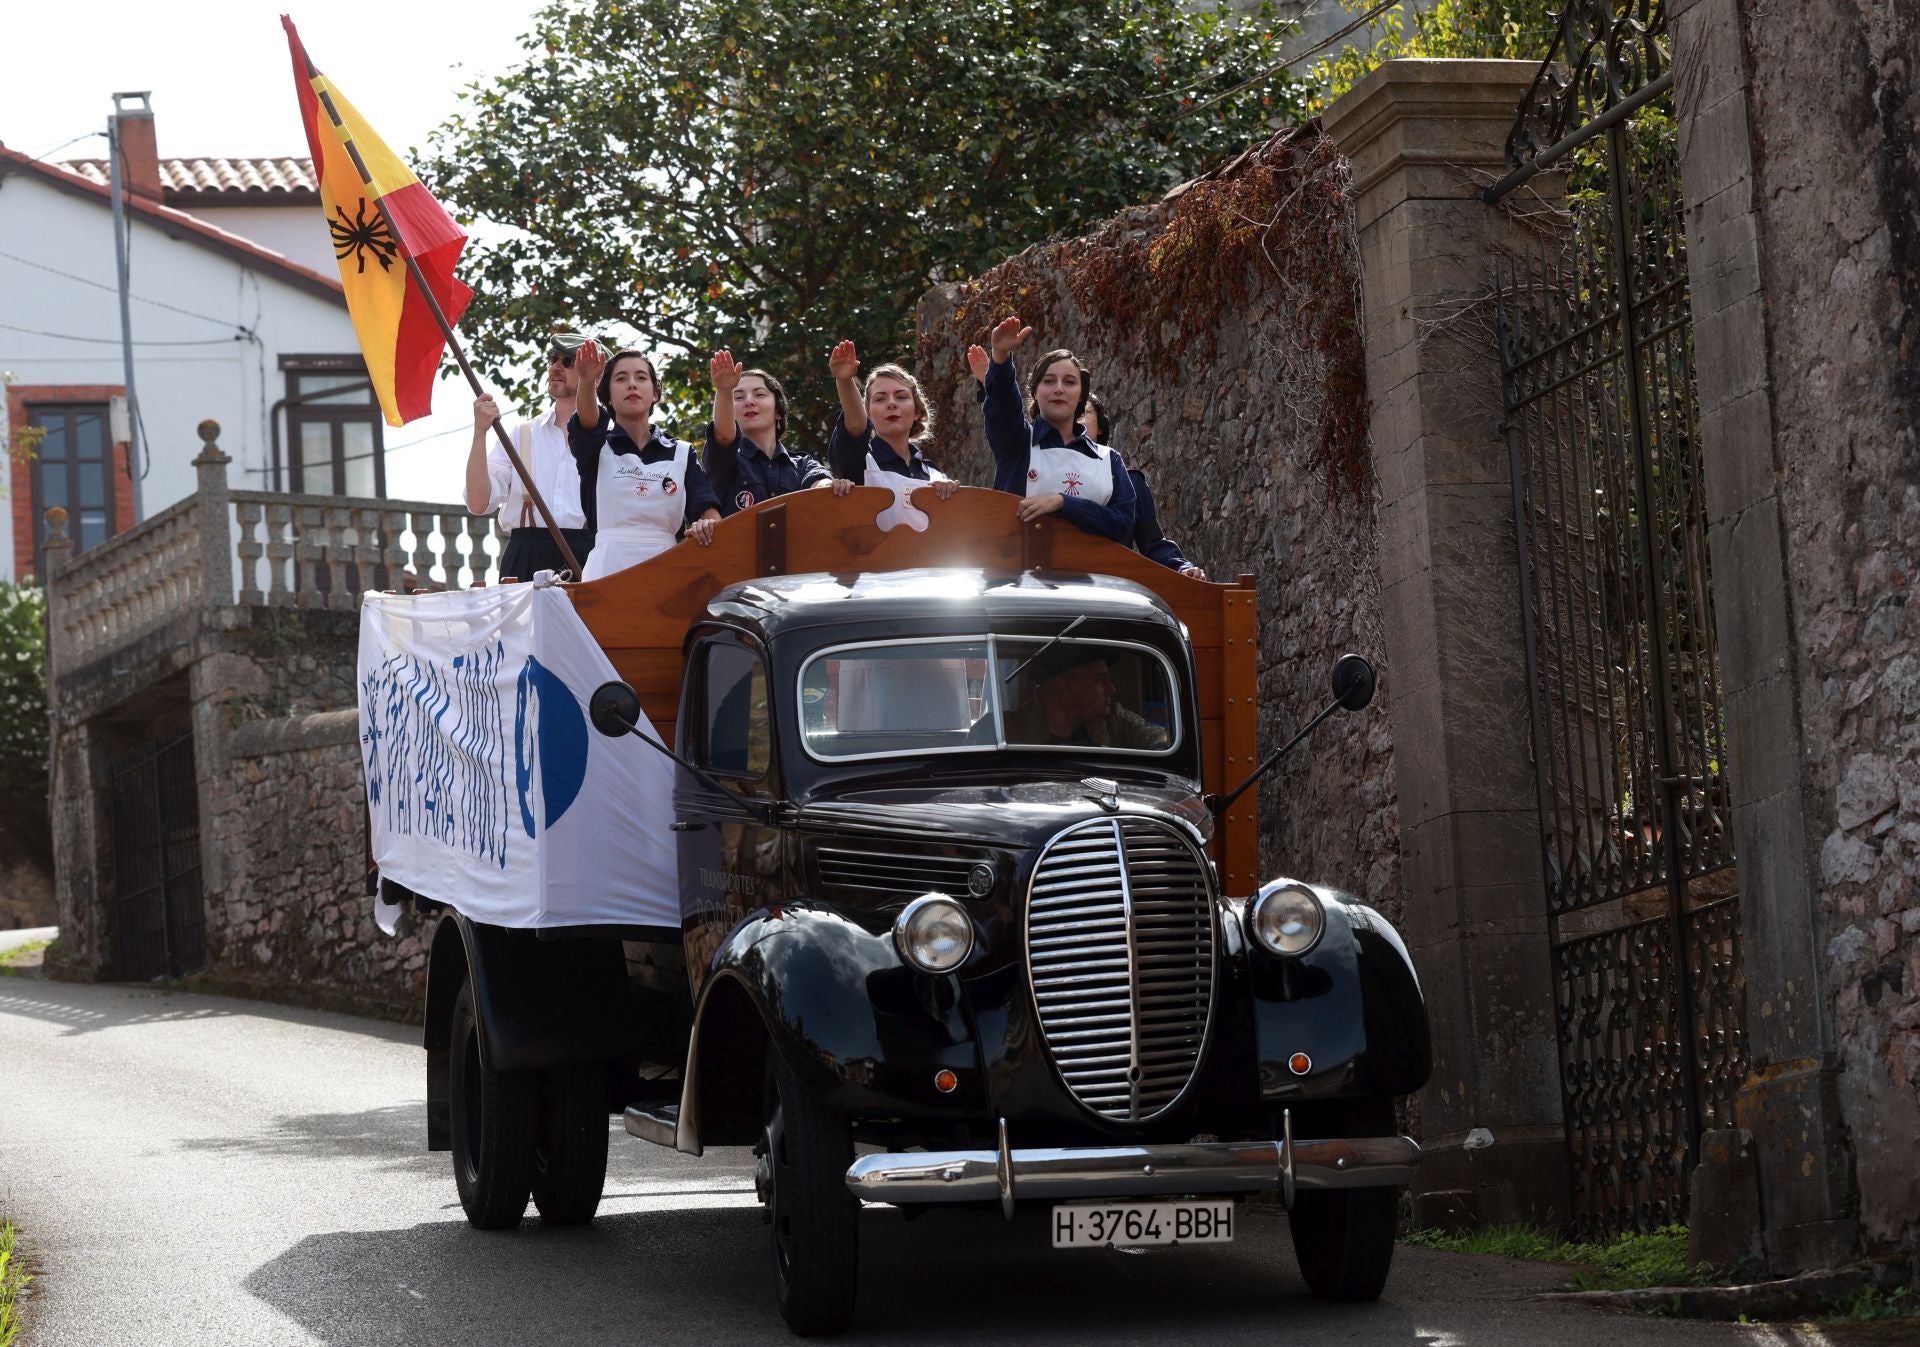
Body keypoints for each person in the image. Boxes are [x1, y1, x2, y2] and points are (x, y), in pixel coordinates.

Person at [968, 316, 1136, 542]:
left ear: (1080, 397)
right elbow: (1003, 405)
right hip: (1019, 574)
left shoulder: (1109, 460)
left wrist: (1063, 502)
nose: (1059, 389)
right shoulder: (1017, 443)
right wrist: (1000, 356)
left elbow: (1123, 526)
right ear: (1035, 392)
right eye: (1048, 381)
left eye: (1069, 382)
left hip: (1093, 576)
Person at [567, 340, 722, 581]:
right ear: (606, 395)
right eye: (620, 379)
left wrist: (707, 525)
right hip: (606, 574)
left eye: (640, 378)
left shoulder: (681, 453)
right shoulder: (596, 448)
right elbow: (587, 422)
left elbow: (708, 512)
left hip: (668, 572)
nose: (631, 384)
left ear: (655, 393)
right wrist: (586, 381)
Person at [464, 331, 595, 579]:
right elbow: (479, 503)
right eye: (553, 359)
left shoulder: (610, 440)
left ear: (594, 376)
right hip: (526, 556)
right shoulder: (523, 434)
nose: (556, 367)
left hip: (588, 556)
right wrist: (480, 431)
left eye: (568, 362)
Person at [1079, 393, 1208, 580]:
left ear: (1100, 425)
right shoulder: (1038, 472)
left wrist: (1181, 568)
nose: (1074, 421)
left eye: (1083, 412)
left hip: (1110, 590)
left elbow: (1153, 544)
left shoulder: (1130, 483)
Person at [705, 351, 850, 515]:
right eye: (738, 397)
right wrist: (724, 390)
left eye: (759, 394)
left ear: (778, 411)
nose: (749, 401)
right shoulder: (725, 464)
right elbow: (724, 435)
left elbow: (820, 484)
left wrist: (832, 487)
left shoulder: (803, 465)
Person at [825, 340, 959, 498]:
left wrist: (950, 497)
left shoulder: (935, 474)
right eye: (880, 399)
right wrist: (845, 380)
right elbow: (855, 424)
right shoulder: (859, 463)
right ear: (867, 414)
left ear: (918, 411)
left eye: (901, 397)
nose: (891, 404)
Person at [1004, 646, 1170, 750]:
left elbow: (1158, 736)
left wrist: (1160, 743)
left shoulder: (1111, 720)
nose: (1111, 689)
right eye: (1100, 679)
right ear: (1066, 684)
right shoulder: (1007, 731)